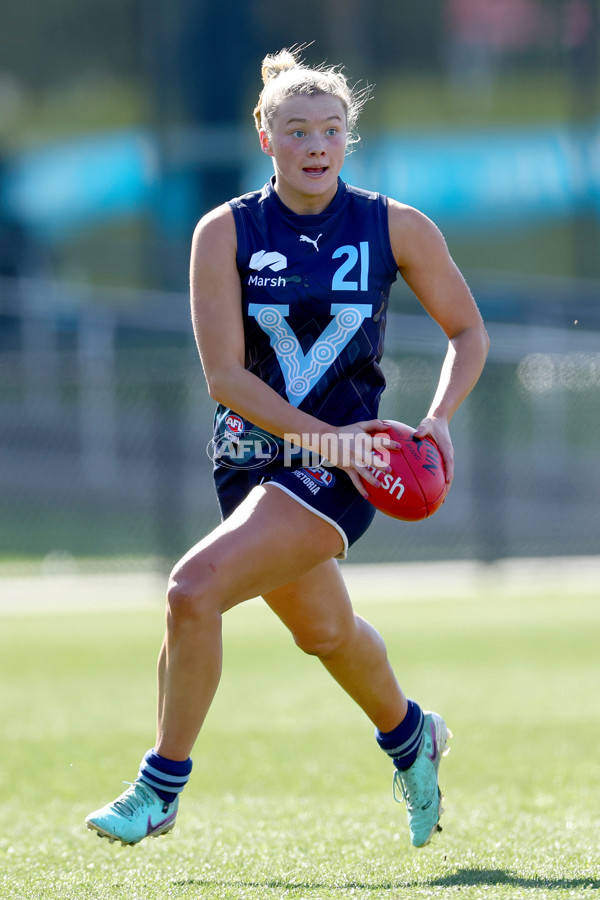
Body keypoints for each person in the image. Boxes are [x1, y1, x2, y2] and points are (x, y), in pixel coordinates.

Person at [86, 46, 489, 850]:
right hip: (253, 459)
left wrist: (439, 416)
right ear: (265, 137)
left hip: (348, 468)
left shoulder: (394, 225)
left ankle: (159, 789)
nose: (315, 145)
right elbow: (225, 378)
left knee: (191, 590)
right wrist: (324, 441)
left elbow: (469, 331)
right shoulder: (224, 230)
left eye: (332, 131)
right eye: (296, 129)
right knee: (326, 633)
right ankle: (412, 736)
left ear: (349, 140)